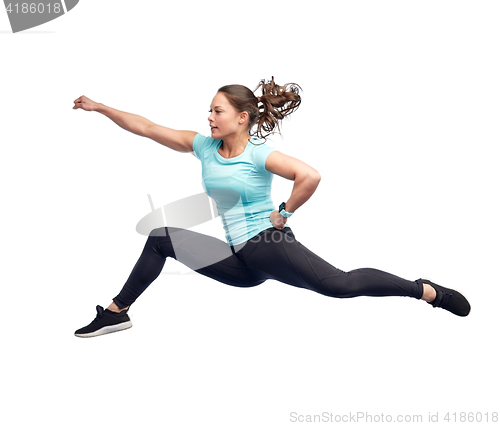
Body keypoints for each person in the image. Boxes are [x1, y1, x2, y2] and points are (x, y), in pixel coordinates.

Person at [73, 77, 470, 338]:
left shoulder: (260, 155)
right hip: (243, 263)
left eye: (217, 111)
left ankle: (427, 291)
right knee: (161, 239)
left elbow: (309, 176)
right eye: (209, 110)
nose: (209, 117)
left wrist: (284, 212)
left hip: (267, 243)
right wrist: (101, 107)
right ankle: (117, 312)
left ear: (241, 118)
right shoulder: (204, 147)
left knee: (340, 285)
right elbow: (147, 127)